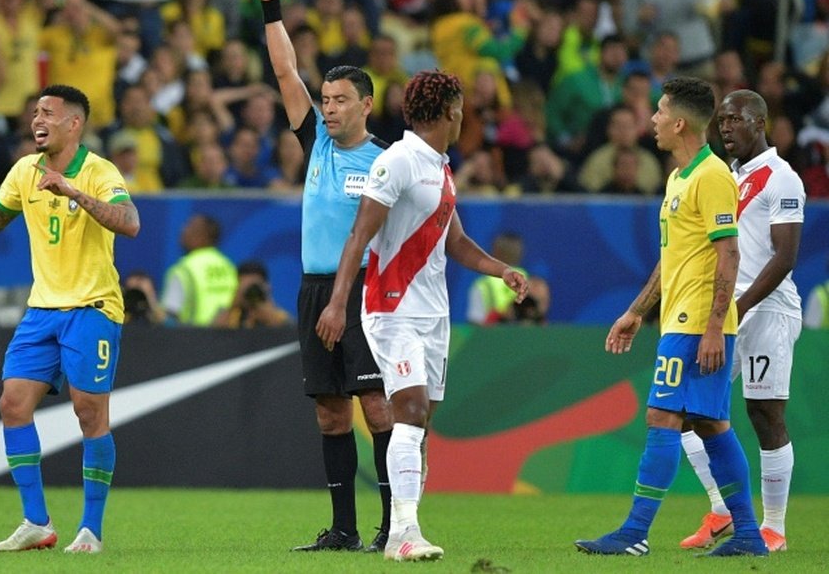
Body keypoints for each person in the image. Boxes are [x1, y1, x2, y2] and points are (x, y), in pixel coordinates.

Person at [315, 70, 528, 561]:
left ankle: (402, 531)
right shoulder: (399, 161)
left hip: (434, 314)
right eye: (463, 111)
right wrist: (336, 301)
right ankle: (404, 532)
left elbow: (455, 243)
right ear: (452, 112)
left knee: (420, 423)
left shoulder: (441, 167)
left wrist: (501, 271)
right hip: (391, 309)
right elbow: (358, 235)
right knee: (408, 411)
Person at [575, 77, 768, 557]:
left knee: (663, 414)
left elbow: (730, 256)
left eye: (660, 112)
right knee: (710, 424)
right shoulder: (679, 177)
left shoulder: (713, 176)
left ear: (679, 121)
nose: (653, 120)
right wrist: (636, 311)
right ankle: (747, 535)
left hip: (697, 324)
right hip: (678, 319)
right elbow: (672, 257)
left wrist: (712, 329)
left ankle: (635, 532)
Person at [0, 84, 140, 554]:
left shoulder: (99, 170)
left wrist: (73, 192)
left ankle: (91, 531)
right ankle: (37, 522)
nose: (38, 119)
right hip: (42, 310)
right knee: (13, 404)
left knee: (88, 412)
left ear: (74, 124)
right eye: (35, 111)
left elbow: (130, 222)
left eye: (48, 113)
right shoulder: (23, 170)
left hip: (92, 307)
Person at [252, 0, 395, 554]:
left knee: (378, 408)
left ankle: (396, 527)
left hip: (365, 291)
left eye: (340, 100)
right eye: (326, 100)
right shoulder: (314, 143)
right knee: (331, 415)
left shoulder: (388, 161)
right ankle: (344, 530)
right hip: (316, 290)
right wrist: (271, 7)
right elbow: (285, 69)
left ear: (366, 103)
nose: (329, 109)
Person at [678, 90, 805, 553]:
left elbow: (785, 256)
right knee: (690, 407)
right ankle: (722, 508)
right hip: (729, 310)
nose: (725, 127)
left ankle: (774, 527)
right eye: (721, 120)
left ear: (759, 122)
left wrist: (743, 304)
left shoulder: (782, 179)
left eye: (735, 119)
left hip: (767, 310)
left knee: (764, 414)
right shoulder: (728, 176)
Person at [159, 213, 237, 325]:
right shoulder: (228, 266)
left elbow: (170, 316)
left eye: (190, 227)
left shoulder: (184, 269)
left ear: (204, 236)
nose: (183, 231)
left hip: (196, 338)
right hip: (230, 336)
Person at [212, 260, 292, 329]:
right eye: (245, 286)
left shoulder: (279, 315)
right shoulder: (229, 314)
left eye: (254, 286)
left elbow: (291, 335)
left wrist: (265, 307)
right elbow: (211, 336)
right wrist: (233, 305)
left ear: (267, 286)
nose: (251, 291)